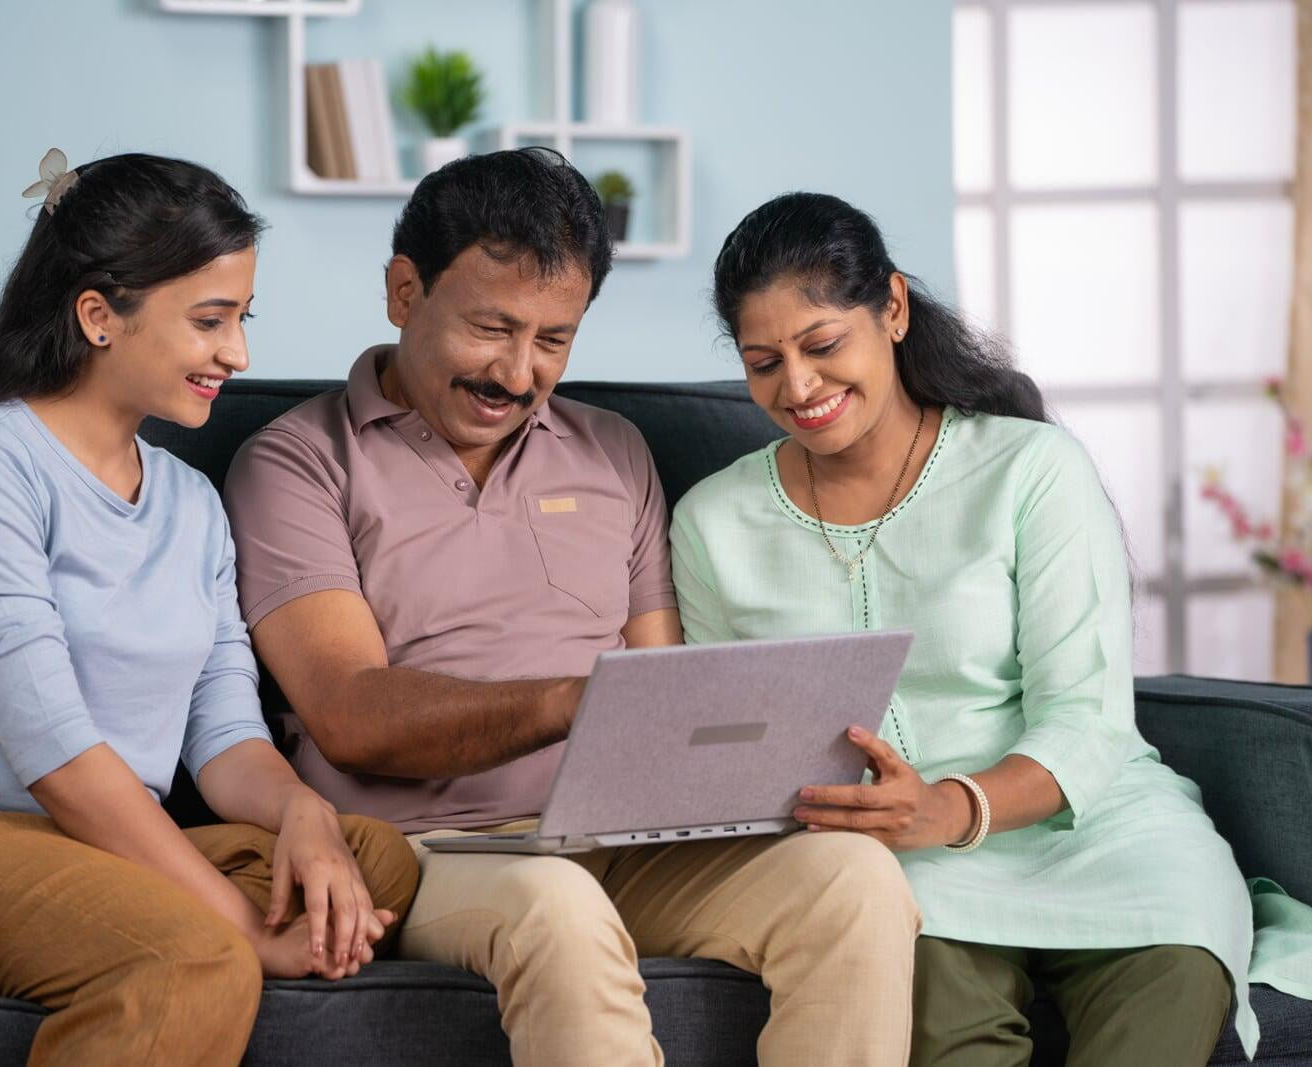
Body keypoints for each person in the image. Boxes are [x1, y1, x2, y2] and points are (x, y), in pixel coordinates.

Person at [223, 149, 920, 1067]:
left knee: (856, 879)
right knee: (557, 902)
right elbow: (349, 713)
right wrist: (568, 702)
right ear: (404, 291)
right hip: (428, 853)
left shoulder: (613, 453)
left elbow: (665, 688)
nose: (517, 372)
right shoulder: (299, 462)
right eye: (491, 328)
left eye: (554, 339)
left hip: (620, 840)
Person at [669, 191, 1312, 1064]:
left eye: (823, 345)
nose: (797, 387)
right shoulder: (713, 522)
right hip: (897, 870)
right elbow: (728, 747)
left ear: (895, 308)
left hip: (1105, 835)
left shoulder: (1031, 470)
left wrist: (948, 806)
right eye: (764, 363)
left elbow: (1090, 722)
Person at [0, 150, 419, 1066]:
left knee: (372, 862)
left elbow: (225, 738)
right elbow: (55, 754)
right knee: (197, 957)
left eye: (243, 318)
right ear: (98, 315)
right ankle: (79, 956)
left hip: (83, 858)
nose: (237, 353)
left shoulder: (190, 503)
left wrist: (306, 819)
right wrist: (244, 928)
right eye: (210, 321)